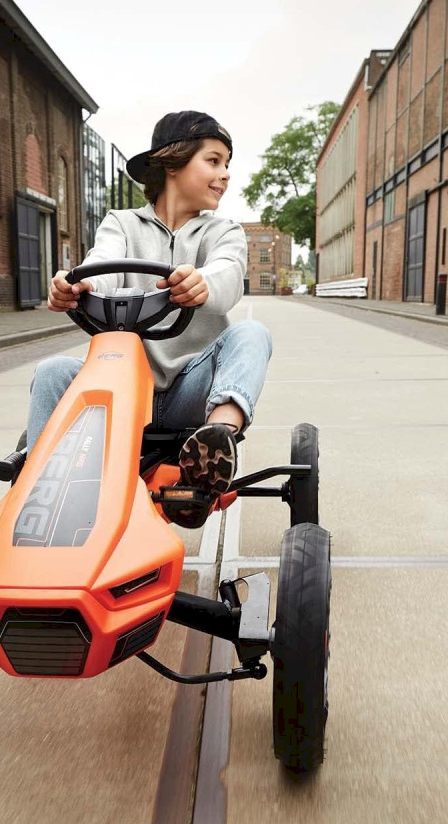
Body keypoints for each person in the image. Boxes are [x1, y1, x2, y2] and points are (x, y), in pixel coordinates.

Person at [27, 110, 273, 525]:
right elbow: (102, 264)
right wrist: (78, 285)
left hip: (191, 392)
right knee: (52, 371)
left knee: (252, 333)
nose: (225, 174)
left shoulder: (223, 231)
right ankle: (36, 493)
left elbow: (228, 272)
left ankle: (215, 445)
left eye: (227, 164)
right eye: (213, 161)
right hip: (124, 386)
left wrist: (203, 283)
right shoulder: (122, 224)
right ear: (172, 163)